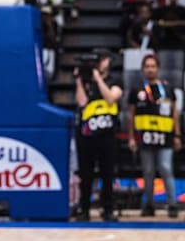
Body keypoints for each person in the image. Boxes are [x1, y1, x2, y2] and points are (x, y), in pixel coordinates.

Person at [127, 54, 181, 218]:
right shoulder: (137, 90)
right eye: (147, 66)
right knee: (148, 171)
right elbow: (131, 115)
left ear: (158, 68)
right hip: (145, 138)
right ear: (143, 69)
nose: (150, 69)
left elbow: (174, 113)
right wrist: (131, 137)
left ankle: (172, 204)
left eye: (153, 66)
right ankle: (149, 204)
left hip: (165, 137)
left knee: (165, 168)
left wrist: (177, 135)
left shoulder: (168, 88)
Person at [74, 50, 123, 222]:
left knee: (107, 174)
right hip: (86, 135)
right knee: (86, 175)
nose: (99, 63)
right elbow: (81, 102)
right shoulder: (86, 81)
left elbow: (111, 98)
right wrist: (79, 80)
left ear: (108, 61)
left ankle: (108, 209)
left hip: (107, 135)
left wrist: (98, 79)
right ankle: (84, 208)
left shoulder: (115, 80)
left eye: (101, 60)